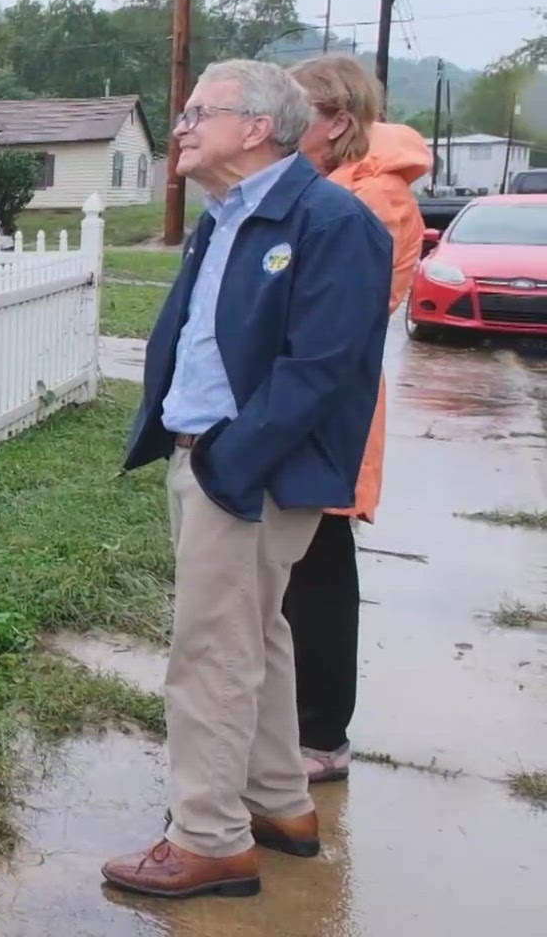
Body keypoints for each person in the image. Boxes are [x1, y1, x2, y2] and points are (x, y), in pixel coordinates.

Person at [107, 60, 391, 898]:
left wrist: (232, 461)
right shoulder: (225, 215)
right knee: (256, 636)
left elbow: (322, 367)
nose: (182, 125)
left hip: (248, 472)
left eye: (199, 110)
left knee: (209, 657)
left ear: (258, 127)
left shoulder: (331, 221)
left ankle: (208, 837)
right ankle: (276, 802)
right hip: (206, 455)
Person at [283, 55, 430, 783]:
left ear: (337, 121)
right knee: (296, 568)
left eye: (297, 108)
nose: (284, 121)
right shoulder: (331, 187)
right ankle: (297, 723)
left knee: (319, 572)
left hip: (330, 403)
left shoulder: (374, 201)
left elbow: (340, 314)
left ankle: (320, 736)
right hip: (308, 399)